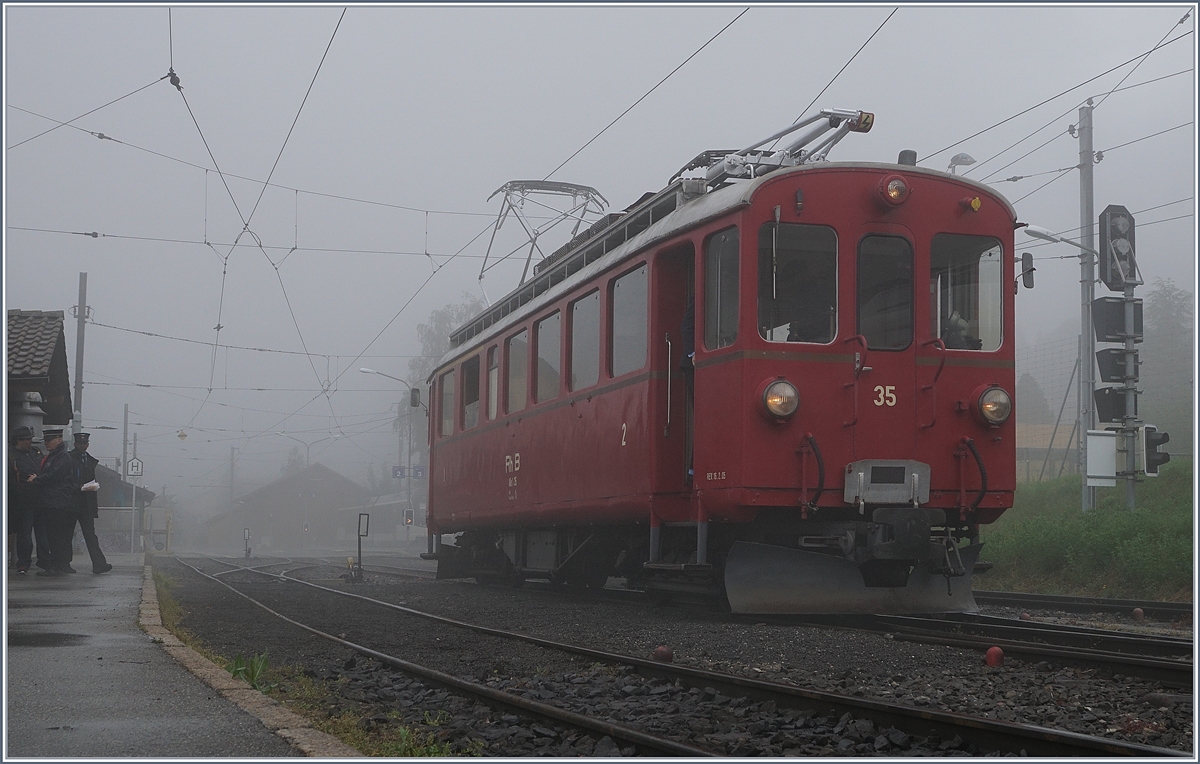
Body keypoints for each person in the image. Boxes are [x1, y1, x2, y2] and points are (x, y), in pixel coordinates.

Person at [29, 428, 76, 576]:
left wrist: (36, 479)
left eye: (50, 441)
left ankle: (57, 565)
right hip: (52, 501)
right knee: (54, 535)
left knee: (56, 535)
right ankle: (58, 564)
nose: (47, 443)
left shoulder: (61, 457)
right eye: (46, 441)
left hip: (57, 502)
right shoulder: (54, 456)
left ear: (59, 440)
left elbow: (53, 475)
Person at [68, 432, 112, 574]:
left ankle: (99, 564)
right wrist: (79, 487)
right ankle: (63, 564)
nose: (82, 446)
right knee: (67, 534)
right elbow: (65, 480)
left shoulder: (89, 460)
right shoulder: (68, 458)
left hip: (86, 503)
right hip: (71, 502)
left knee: (90, 534)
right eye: (79, 443)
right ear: (75, 444)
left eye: (84, 443)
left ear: (87, 445)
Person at [8, 426, 48, 574]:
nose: (30, 443)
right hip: (23, 501)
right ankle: (23, 563)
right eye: (28, 440)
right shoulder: (11, 456)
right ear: (19, 441)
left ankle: (44, 560)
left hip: (39, 498)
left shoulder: (36, 453)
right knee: (24, 534)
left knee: (42, 533)